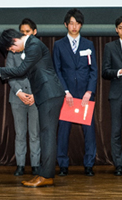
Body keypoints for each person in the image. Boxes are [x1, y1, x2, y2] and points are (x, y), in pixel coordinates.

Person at [0, 29, 65, 187]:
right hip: (46, 94)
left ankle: (46, 176)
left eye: (10, 49)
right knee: (45, 136)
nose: (12, 51)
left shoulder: (33, 45)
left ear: (14, 40)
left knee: (47, 137)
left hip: (50, 94)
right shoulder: (31, 46)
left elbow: (21, 70)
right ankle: (43, 174)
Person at [53, 8, 98, 176]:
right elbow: (57, 70)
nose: (74, 26)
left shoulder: (89, 44)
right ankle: (63, 164)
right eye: (71, 23)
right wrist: (65, 91)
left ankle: (89, 165)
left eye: (77, 23)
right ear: (66, 25)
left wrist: (89, 91)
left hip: (85, 95)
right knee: (63, 130)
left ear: (81, 25)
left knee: (89, 131)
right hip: (67, 96)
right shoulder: (58, 45)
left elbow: (93, 70)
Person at [6, 18, 40, 176]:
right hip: (17, 97)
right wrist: (19, 92)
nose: (24, 35)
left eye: (27, 32)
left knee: (35, 133)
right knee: (20, 133)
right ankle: (20, 165)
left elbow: (43, 74)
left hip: (35, 97)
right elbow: (9, 73)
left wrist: (34, 93)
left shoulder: (39, 50)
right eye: (22, 32)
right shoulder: (12, 51)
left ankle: (36, 165)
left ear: (34, 32)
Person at [102, 16, 122, 176]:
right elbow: (105, 71)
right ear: (116, 29)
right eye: (121, 27)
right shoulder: (110, 47)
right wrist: (118, 72)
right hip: (117, 94)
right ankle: (119, 165)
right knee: (116, 131)